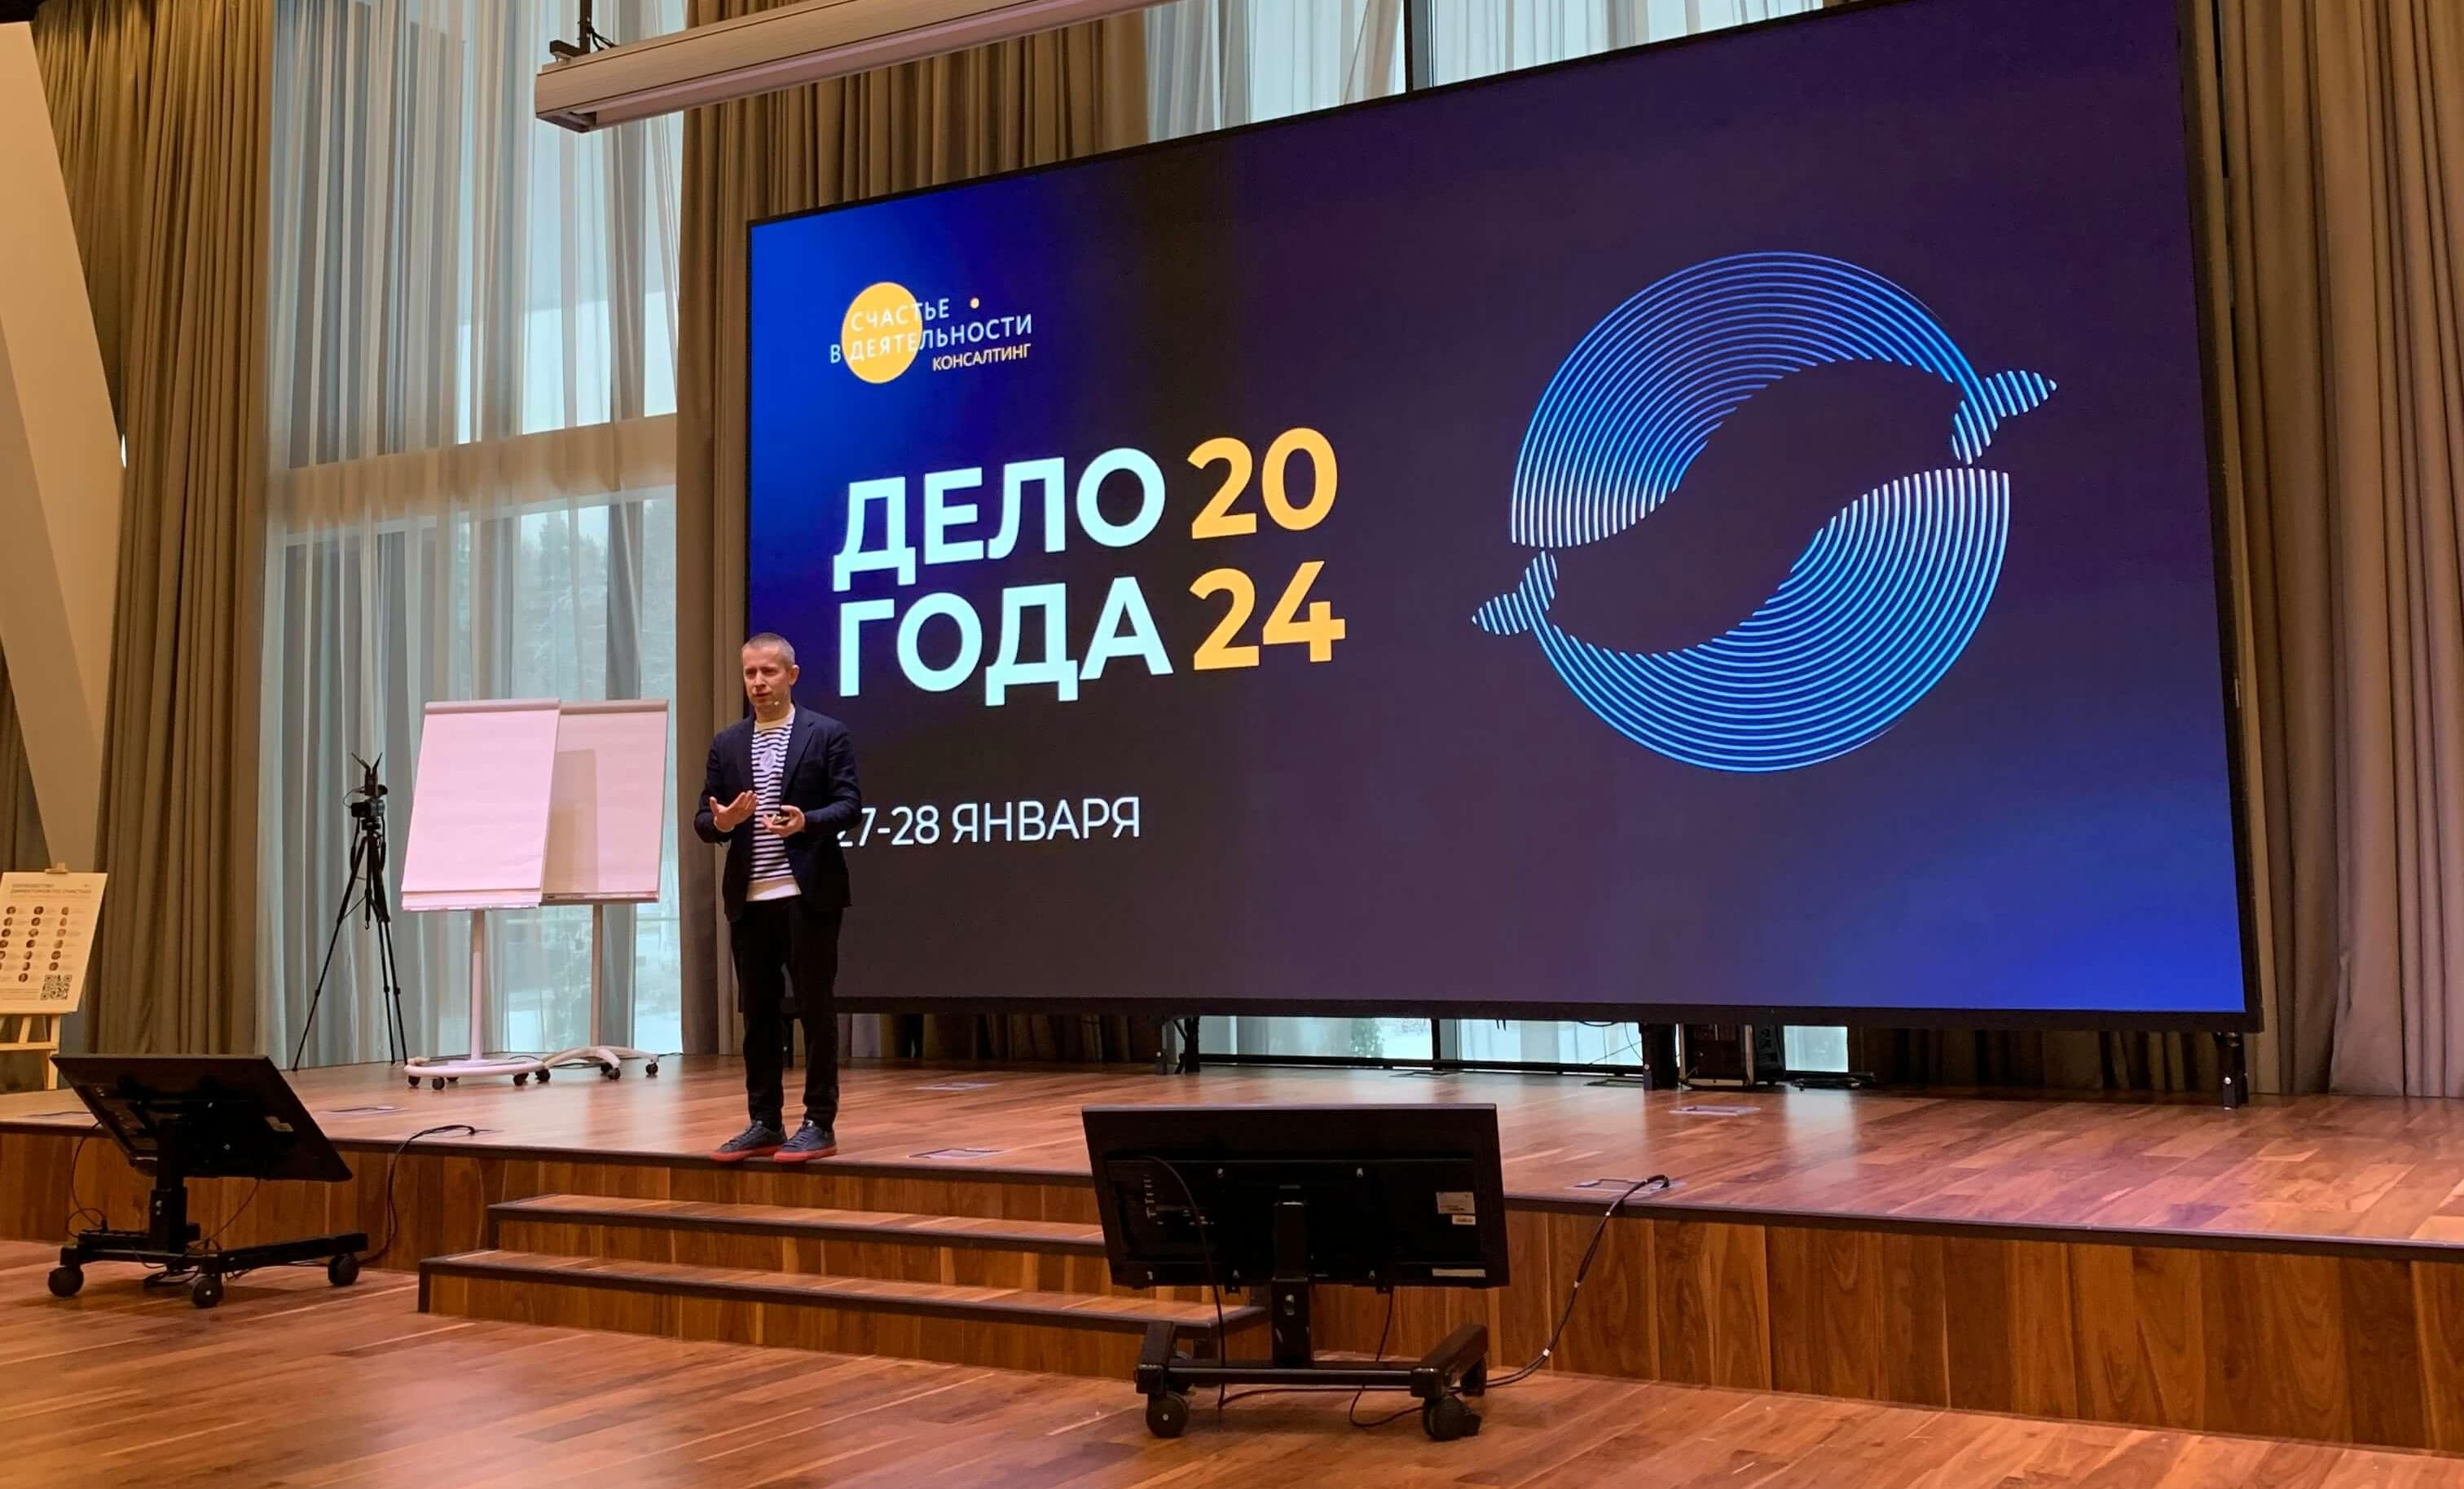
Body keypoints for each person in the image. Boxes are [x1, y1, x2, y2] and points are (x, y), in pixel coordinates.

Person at [695, 632, 860, 1161]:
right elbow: (704, 819)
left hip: (807, 895)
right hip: (750, 898)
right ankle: (764, 1121)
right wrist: (724, 821)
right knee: (759, 1014)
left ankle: (819, 1121)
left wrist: (806, 820)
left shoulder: (826, 734)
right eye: (750, 673)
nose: (758, 682)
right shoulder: (727, 743)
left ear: (792, 674)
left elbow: (850, 805)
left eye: (768, 671)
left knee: (815, 1009)